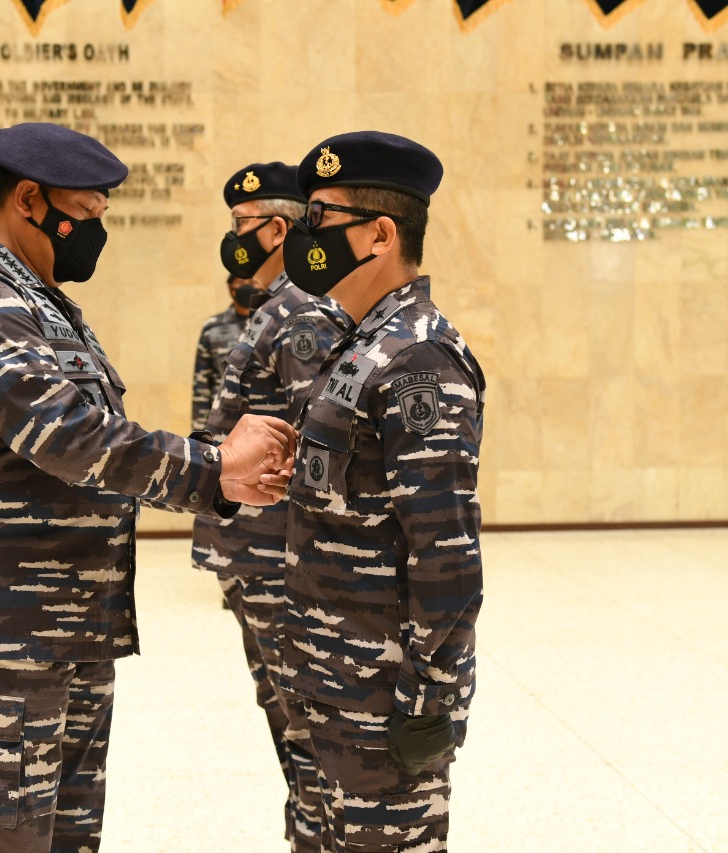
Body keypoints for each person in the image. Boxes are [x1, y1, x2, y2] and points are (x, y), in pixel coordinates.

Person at [0, 122, 296, 852]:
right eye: (85, 217)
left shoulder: (46, 305)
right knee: (0, 834)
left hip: (67, 629)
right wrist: (216, 470)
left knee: (64, 837)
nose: (94, 234)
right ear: (29, 199)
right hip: (1, 636)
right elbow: (70, 437)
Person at [279, 131, 486, 852]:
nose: (306, 238)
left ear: (379, 234)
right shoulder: (357, 340)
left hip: (382, 699)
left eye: (321, 220)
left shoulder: (420, 360)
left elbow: (448, 555)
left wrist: (426, 700)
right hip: (325, 678)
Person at [192, 161, 349, 852]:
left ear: (276, 229)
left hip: (279, 560)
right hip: (256, 555)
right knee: (292, 725)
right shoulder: (278, 305)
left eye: (241, 230)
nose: (234, 244)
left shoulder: (301, 311)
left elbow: (324, 441)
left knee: (306, 733)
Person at [190, 273, 262, 434]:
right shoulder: (212, 327)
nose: (246, 285)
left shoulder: (274, 323)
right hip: (223, 424)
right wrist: (199, 434)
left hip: (265, 418)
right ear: (230, 287)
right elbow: (202, 384)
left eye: (251, 281)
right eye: (240, 281)